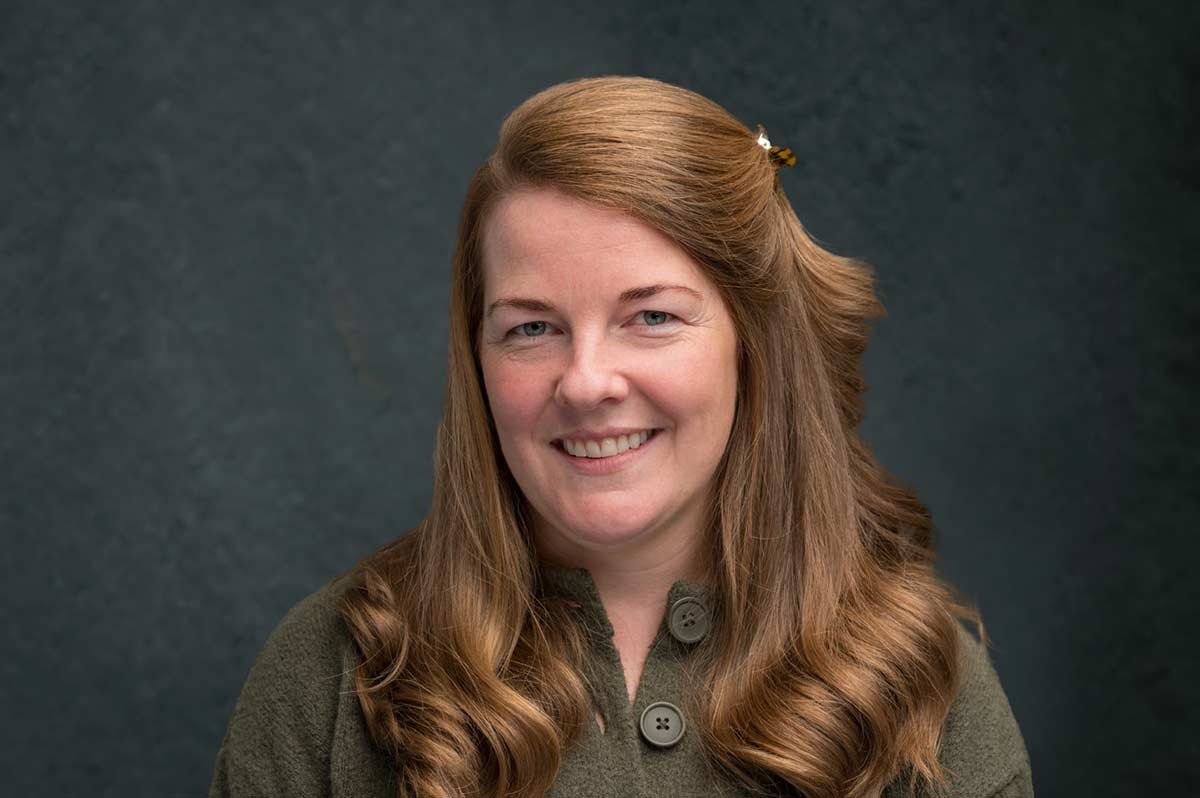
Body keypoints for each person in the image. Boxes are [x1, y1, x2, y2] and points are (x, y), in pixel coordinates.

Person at [208, 75, 1034, 798]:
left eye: (651, 317)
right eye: (531, 329)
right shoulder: (334, 674)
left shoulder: (924, 684)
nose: (587, 381)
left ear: (755, 343)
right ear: (476, 357)